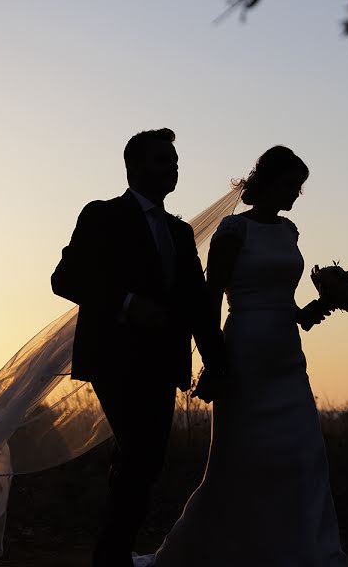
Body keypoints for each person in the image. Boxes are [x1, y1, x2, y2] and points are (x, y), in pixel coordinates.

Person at [134, 146, 348, 566]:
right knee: (243, 459)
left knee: (304, 455)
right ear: (267, 182)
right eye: (291, 186)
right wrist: (213, 361)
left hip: (288, 356)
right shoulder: (233, 231)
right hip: (245, 351)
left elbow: (292, 308)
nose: (295, 196)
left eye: (300, 188)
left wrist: (325, 303)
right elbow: (211, 297)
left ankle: (302, 550)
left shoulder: (289, 231)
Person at [51, 128, 228, 567]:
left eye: (175, 159)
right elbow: (65, 279)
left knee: (143, 463)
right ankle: (110, 557)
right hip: (114, 359)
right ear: (135, 167)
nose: (173, 166)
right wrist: (128, 305)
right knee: (141, 456)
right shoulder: (101, 215)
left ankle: (114, 552)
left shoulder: (180, 233)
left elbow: (195, 305)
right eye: (162, 159)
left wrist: (216, 360)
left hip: (163, 363)